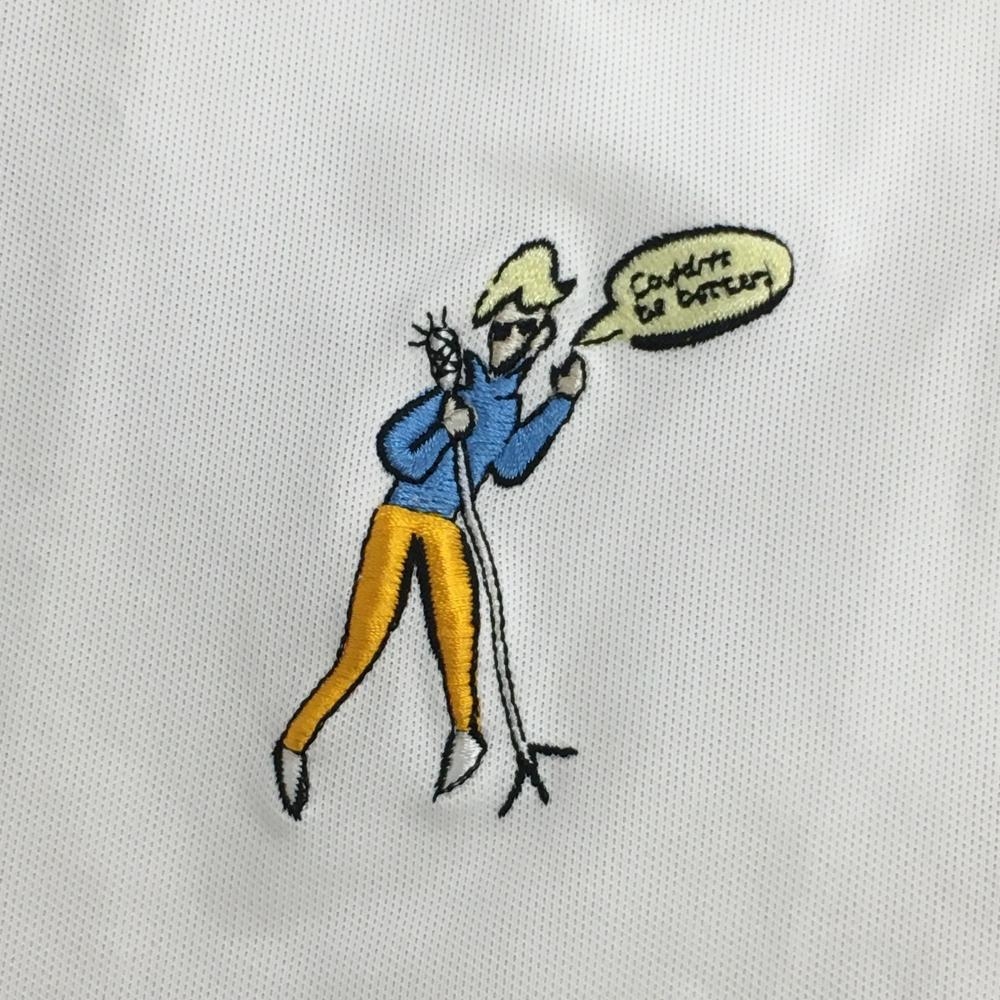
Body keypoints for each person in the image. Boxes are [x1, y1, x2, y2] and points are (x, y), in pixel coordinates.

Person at [273, 241, 586, 818]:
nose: (506, 340)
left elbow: (509, 466)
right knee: (361, 646)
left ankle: (468, 733)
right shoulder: (457, 386)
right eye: (500, 328)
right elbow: (398, 452)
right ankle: (294, 743)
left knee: (458, 632)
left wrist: (560, 404)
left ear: (540, 339)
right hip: (399, 519)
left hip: (445, 526)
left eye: (521, 330)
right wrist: (444, 424)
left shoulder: (506, 405)